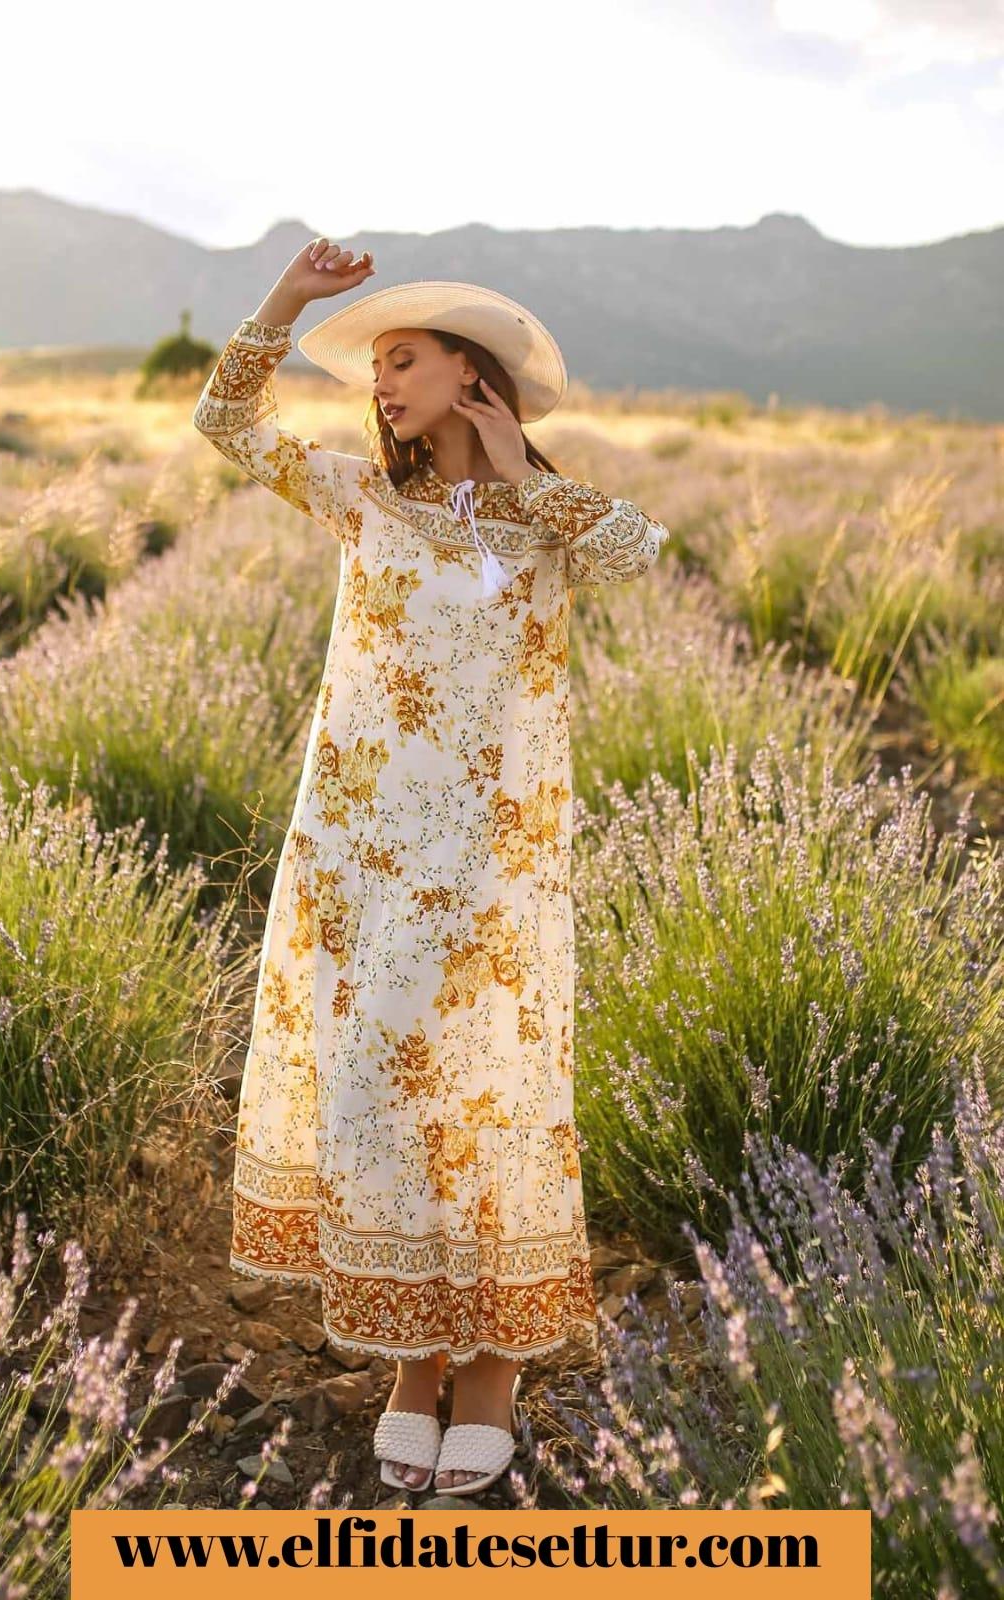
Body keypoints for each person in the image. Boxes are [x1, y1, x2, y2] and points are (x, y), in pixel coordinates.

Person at [192, 240, 670, 1497]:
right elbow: (225, 423)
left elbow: (637, 549)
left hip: (497, 869)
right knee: (375, 1091)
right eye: (377, 366)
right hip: (361, 855)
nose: (382, 382)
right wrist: (287, 302)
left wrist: (518, 474)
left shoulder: (544, 521)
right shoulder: (363, 497)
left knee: (487, 1094)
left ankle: (492, 1371)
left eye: (403, 359)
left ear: (472, 371)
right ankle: (415, 1364)